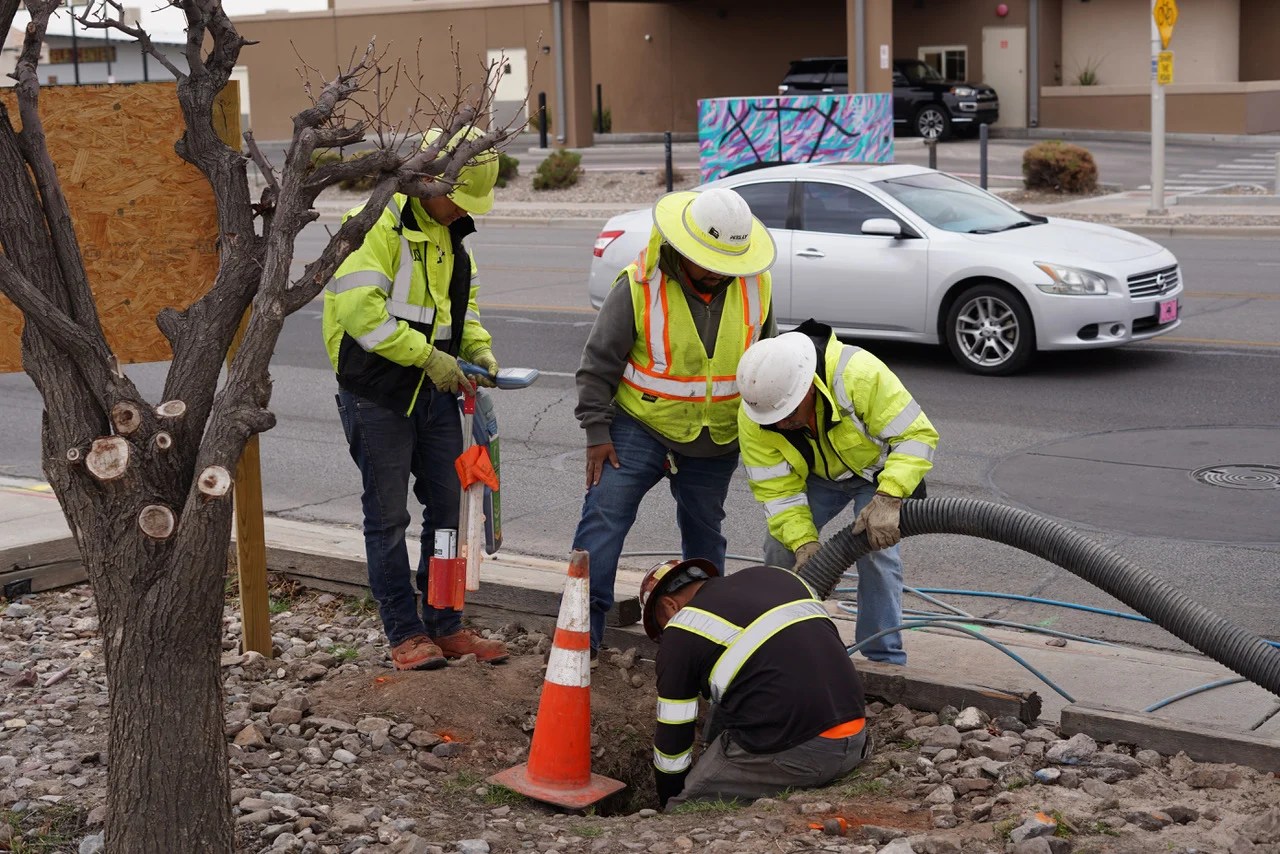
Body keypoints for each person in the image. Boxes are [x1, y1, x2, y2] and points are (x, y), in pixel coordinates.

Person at [323, 127, 509, 671]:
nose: (461, 212)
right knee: (386, 518)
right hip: (377, 393)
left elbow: (462, 310)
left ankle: (445, 623)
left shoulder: (453, 235)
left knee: (448, 509)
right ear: (430, 179)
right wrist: (431, 360)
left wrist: (478, 352)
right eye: (458, 198)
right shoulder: (375, 222)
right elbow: (362, 317)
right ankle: (405, 632)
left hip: (436, 391)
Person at [572, 187, 777, 657]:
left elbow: (766, 365)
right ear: (686, 250)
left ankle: (710, 637)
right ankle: (581, 640)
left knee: (706, 533)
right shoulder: (639, 286)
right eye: (712, 260)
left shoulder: (756, 286)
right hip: (638, 427)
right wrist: (596, 434)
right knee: (603, 521)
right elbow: (597, 364)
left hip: (716, 438)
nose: (724, 271)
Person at [735, 320, 938, 665]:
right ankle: (783, 646)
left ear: (808, 388)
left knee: (877, 551)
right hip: (819, 476)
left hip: (877, 472)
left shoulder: (857, 375)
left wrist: (889, 496)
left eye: (788, 416)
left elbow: (917, 435)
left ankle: (883, 658)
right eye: (775, 422)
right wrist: (803, 542)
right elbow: (777, 491)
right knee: (779, 546)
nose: (782, 426)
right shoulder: (757, 415)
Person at [639, 557, 870, 809]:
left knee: (683, 811)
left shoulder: (681, 630)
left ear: (669, 606)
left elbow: (673, 737)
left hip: (801, 755)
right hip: (856, 740)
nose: (666, 637)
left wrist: (670, 797)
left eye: (662, 630)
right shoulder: (779, 578)